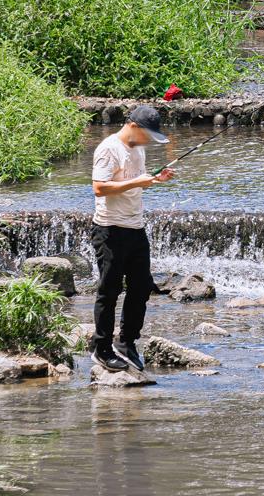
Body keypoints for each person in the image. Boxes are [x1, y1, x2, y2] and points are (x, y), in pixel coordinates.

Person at [89, 105, 175, 371]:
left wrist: (156, 179)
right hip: (109, 229)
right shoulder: (108, 148)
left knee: (141, 287)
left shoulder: (138, 149)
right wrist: (139, 182)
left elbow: (134, 181)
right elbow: (99, 188)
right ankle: (101, 349)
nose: (150, 141)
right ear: (134, 126)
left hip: (135, 228)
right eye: (149, 135)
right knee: (109, 290)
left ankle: (127, 342)